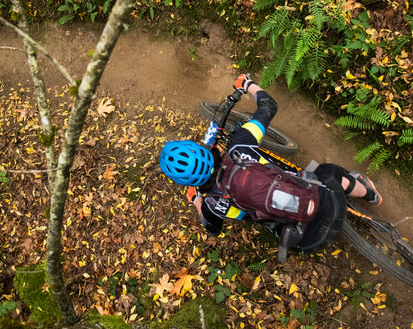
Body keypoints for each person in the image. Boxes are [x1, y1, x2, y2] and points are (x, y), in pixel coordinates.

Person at [159, 74, 382, 259]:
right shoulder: (240, 147)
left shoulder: (212, 203)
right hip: (331, 203)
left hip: (304, 241)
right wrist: (247, 84)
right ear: (201, 149)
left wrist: (197, 200)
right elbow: (269, 106)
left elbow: (213, 229)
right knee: (329, 171)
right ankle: (369, 193)